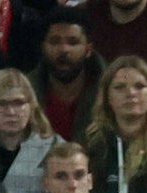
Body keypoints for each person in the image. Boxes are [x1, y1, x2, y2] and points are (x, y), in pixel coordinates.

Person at [83, 54, 147, 193]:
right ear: (107, 97)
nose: (130, 93)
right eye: (120, 87)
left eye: (139, 86)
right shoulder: (93, 145)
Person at [31, 7, 102, 143]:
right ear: (43, 47)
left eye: (73, 42)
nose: (63, 49)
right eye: (55, 41)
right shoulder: (26, 92)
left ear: (88, 49)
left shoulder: (110, 90)